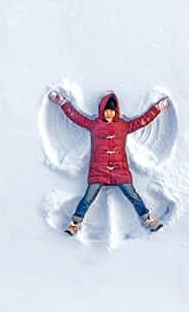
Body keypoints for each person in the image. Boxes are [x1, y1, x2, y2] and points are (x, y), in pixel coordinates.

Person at [48, 90, 171, 235]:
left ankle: (148, 219)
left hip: (120, 171)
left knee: (133, 196)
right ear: (102, 110)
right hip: (98, 171)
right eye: (107, 111)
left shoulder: (123, 126)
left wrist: (158, 108)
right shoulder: (94, 125)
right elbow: (76, 117)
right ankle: (75, 223)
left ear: (116, 111)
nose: (109, 114)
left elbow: (143, 120)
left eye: (112, 111)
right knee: (88, 198)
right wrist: (62, 102)